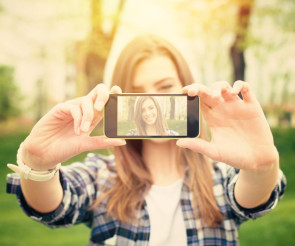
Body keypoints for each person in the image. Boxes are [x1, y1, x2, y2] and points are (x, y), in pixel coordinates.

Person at [6, 35, 286, 246]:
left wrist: (262, 167)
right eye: (137, 92)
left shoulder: (221, 176)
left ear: (187, 88)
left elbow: (255, 194)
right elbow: (53, 207)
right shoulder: (101, 176)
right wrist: (38, 165)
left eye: (165, 87)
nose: (153, 102)